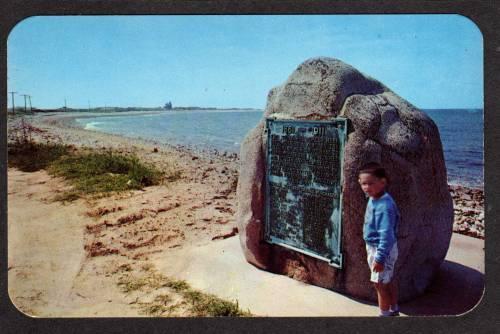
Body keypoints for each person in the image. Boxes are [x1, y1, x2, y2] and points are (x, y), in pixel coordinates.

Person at [358, 162, 400, 317]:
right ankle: (394, 308)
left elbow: (387, 235)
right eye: (363, 184)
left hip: (380, 249)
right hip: (379, 247)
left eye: (371, 183)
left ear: (383, 182)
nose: (366, 187)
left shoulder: (384, 206)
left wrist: (380, 258)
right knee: (387, 280)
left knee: (379, 284)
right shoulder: (376, 196)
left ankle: (384, 315)